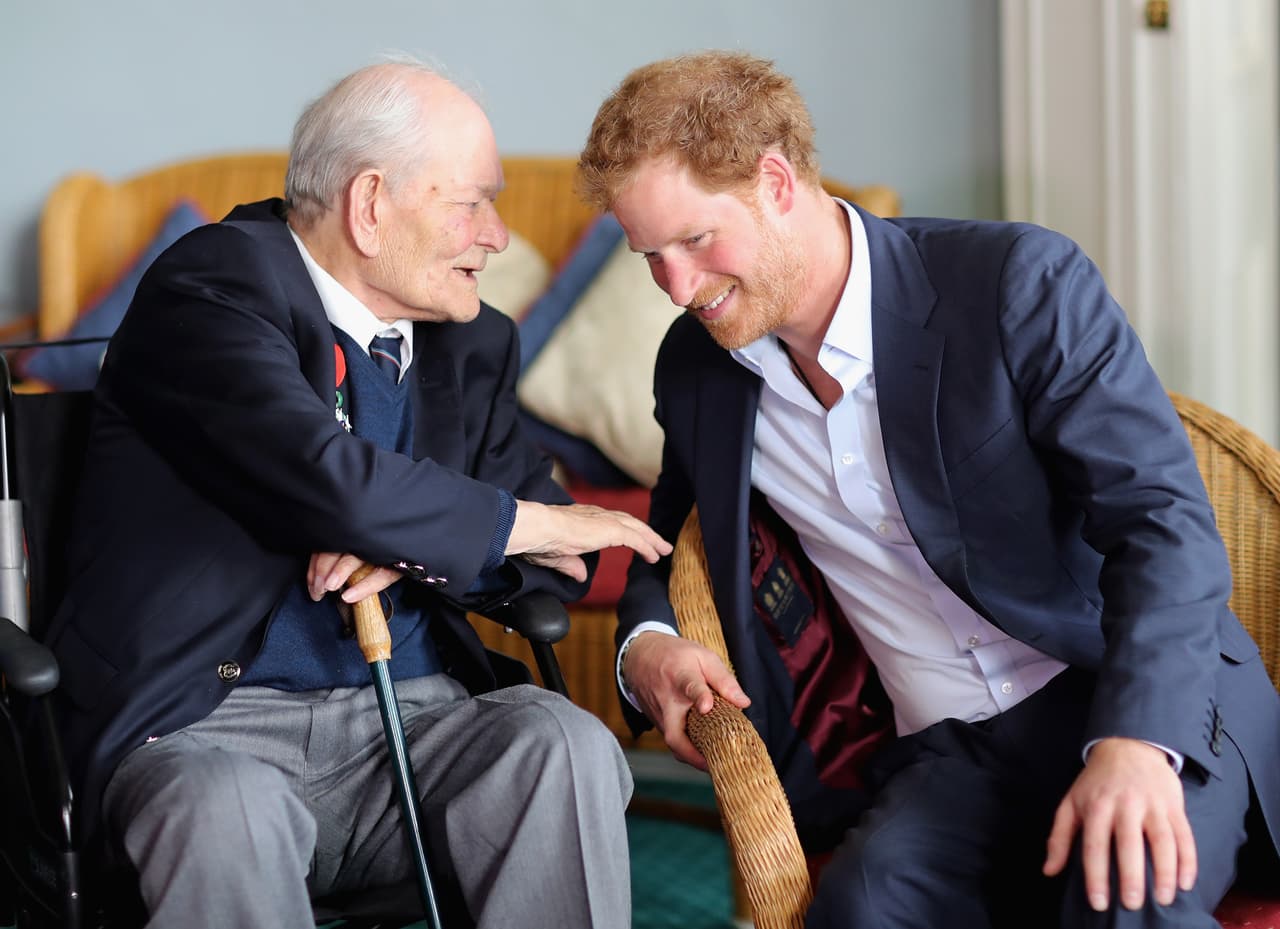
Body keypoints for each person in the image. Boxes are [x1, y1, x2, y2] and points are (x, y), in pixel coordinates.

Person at [577, 50, 1280, 928]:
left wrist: (1138, 741)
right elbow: (670, 534)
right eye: (651, 255)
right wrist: (644, 644)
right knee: (857, 912)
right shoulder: (697, 369)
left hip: (1125, 687)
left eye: (695, 240)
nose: (678, 288)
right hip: (945, 753)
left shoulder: (1018, 282)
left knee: (1123, 901)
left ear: (776, 182)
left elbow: (1163, 524)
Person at [43, 58, 671, 929]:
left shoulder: (470, 340)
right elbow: (329, 479)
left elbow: (553, 560)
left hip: (416, 723)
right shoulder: (215, 287)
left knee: (563, 743)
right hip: (210, 727)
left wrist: (418, 549)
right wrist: (493, 524)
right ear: (370, 204)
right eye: (473, 203)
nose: (496, 235)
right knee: (225, 811)